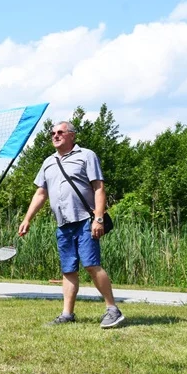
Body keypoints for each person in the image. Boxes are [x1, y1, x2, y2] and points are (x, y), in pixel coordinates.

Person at [17, 121, 124, 328]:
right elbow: (41, 193)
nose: (55, 135)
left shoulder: (86, 155)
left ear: (72, 135)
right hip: (63, 224)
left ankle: (113, 309)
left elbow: (99, 188)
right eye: (53, 133)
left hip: (85, 219)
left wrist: (98, 218)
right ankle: (67, 314)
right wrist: (27, 218)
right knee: (68, 269)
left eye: (60, 132)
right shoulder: (48, 162)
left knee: (91, 264)